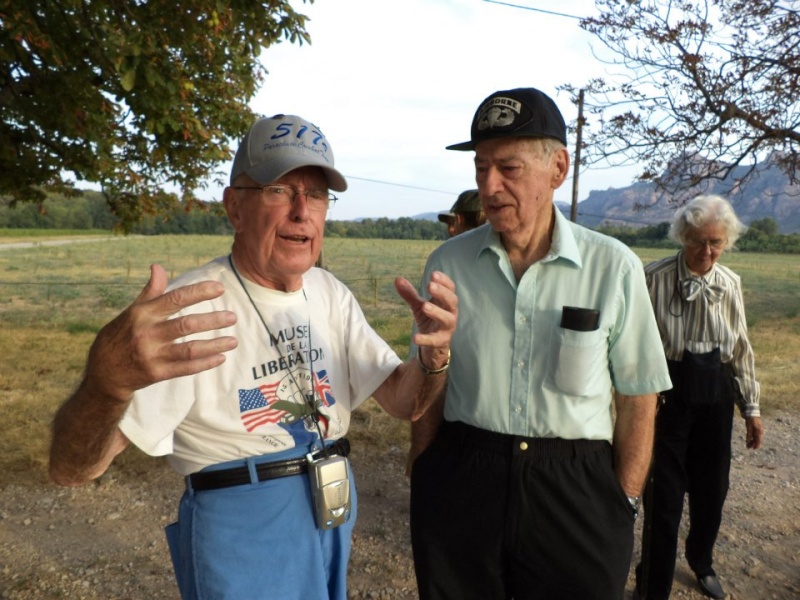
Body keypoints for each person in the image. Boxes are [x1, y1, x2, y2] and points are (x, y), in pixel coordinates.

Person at [48, 113, 457, 600]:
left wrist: (434, 359)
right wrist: (105, 384)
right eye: (279, 190)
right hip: (242, 524)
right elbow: (72, 470)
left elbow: (404, 400)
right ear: (235, 208)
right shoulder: (192, 308)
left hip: (331, 510)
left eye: (317, 194)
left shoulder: (328, 292)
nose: (302, 211)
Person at [407, 87, 672, 600]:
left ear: (557, 169)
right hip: (465, 474)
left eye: (508, 167)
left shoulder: (612, 266)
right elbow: (430, 380)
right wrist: (425, 473)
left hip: (576, 487)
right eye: (481, 167)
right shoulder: (448, 263)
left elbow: (638, 393)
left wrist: (624, 499)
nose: (490, 184)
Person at [635, 194, 764, 600]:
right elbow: (633, 345)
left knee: (713, 490)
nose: (707, 252)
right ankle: (652, 583)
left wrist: (751, 409)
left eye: (716, 243)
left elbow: (740, 349)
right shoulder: (652, 278)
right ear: (682, 236)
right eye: (698, 241)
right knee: (664, 496)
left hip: (716, 393)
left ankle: (701, 560)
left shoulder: (730, 284)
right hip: (666, 394)